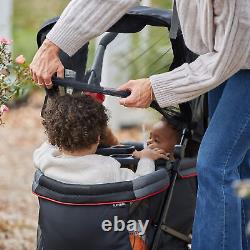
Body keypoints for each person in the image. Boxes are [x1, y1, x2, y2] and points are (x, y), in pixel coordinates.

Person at [30, 0, 250, 249]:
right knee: (238, 164)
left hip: (238, 52)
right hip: (219, 51)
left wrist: (156, 87)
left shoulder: (47, 156)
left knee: (215, 166)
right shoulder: (108, 168)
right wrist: (54, 43)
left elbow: (229, 55)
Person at [33, 93, 168, 185]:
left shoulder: (46, 160)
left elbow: (47, 146)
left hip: (58, 225)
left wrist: (59, 134)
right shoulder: (107, 168)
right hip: (99, 225)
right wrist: (146, 158)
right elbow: (141, 183)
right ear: (98, 138)